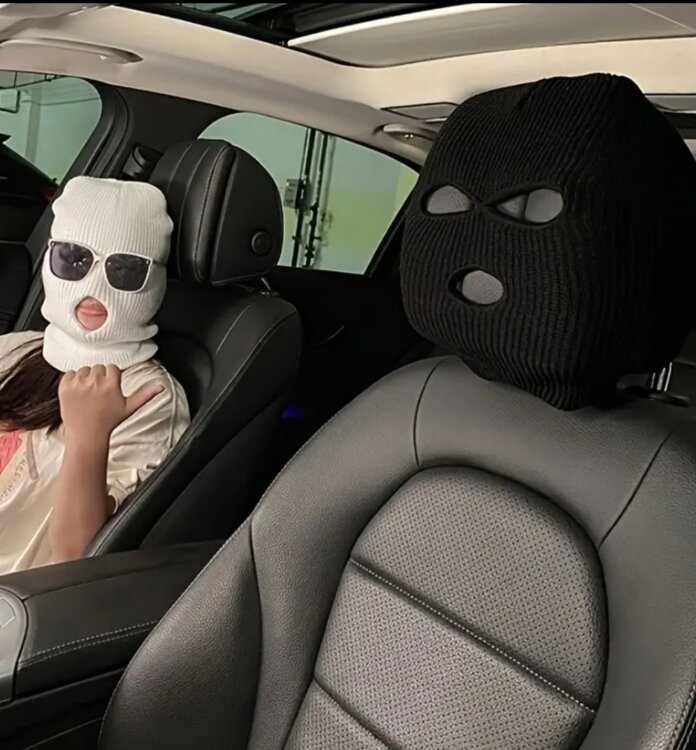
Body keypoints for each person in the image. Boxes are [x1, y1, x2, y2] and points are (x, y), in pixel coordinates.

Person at [0, 176, 190, 574]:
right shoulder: (17, 348)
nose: (95, 285)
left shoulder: (149, 397)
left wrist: (88, 437)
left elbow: (75, 557)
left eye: (125, 269)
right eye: (74, 259)